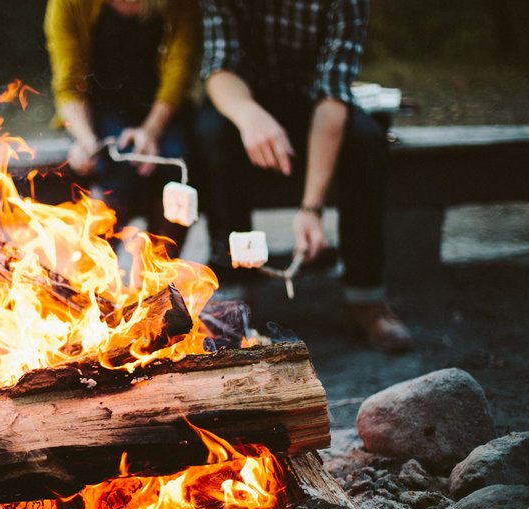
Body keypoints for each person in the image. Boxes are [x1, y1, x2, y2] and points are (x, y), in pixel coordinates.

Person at [197, 0, 414, 353]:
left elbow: (333, 95)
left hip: (313, 103)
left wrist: (311, 208)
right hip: (240, 100)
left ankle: (365, 298)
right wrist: (249, 115)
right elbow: (219, 68)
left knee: (367, 140)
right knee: (210, 135)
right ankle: (234, 290)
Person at [44, 0, 200, 256]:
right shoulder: (68, 4)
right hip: (101, 106)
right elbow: (68, 84)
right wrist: (86, 142)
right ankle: (95, 272)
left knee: (175, 162)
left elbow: (179, 70)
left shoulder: (178, 5)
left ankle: (159, 273)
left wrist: (150, 131)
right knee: (119, 167)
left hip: (163, 107)